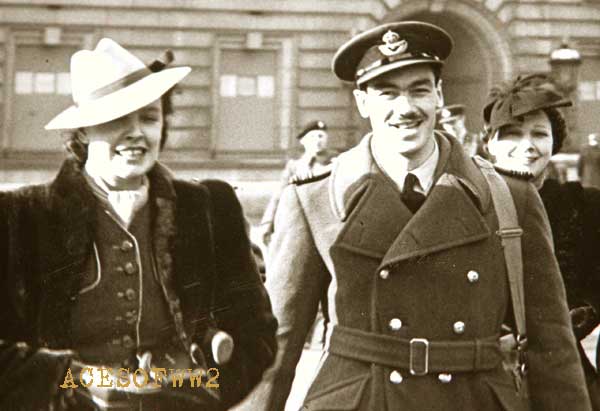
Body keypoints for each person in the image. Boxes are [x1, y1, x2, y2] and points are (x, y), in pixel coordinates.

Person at [241, 21, 591, 411]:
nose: (405, 109)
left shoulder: (511, 195)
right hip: (361, 400)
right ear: (362, 103)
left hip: (472, 399)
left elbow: (552, 344)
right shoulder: (315, 198)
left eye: (419, 90)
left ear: (439, 95)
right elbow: (277, 344)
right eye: (387, 93)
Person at [0, 38, 277, 411]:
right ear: (82, 132)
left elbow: (255, 335)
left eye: (149, 117)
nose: (136, 133)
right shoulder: (22, 217)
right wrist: (80, 382)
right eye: (116, 119)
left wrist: (199, 386)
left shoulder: (210, 208)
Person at [483, 73, 600, 409]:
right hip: (481, 383)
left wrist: (583, 313)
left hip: (562, 382)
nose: (527, 145)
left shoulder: (584, 206)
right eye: (512, 134)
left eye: (539, 134)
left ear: (555, 142)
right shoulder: (466, 204)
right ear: (489, 144)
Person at [259, 120, 337, 246]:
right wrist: (267, 224)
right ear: (303, 141)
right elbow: (279, 197)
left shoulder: (336, 162)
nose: (318, 140)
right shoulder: (294, 167)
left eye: (321, 136)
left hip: (328, 226)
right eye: (313, 136)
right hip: (300, 225)